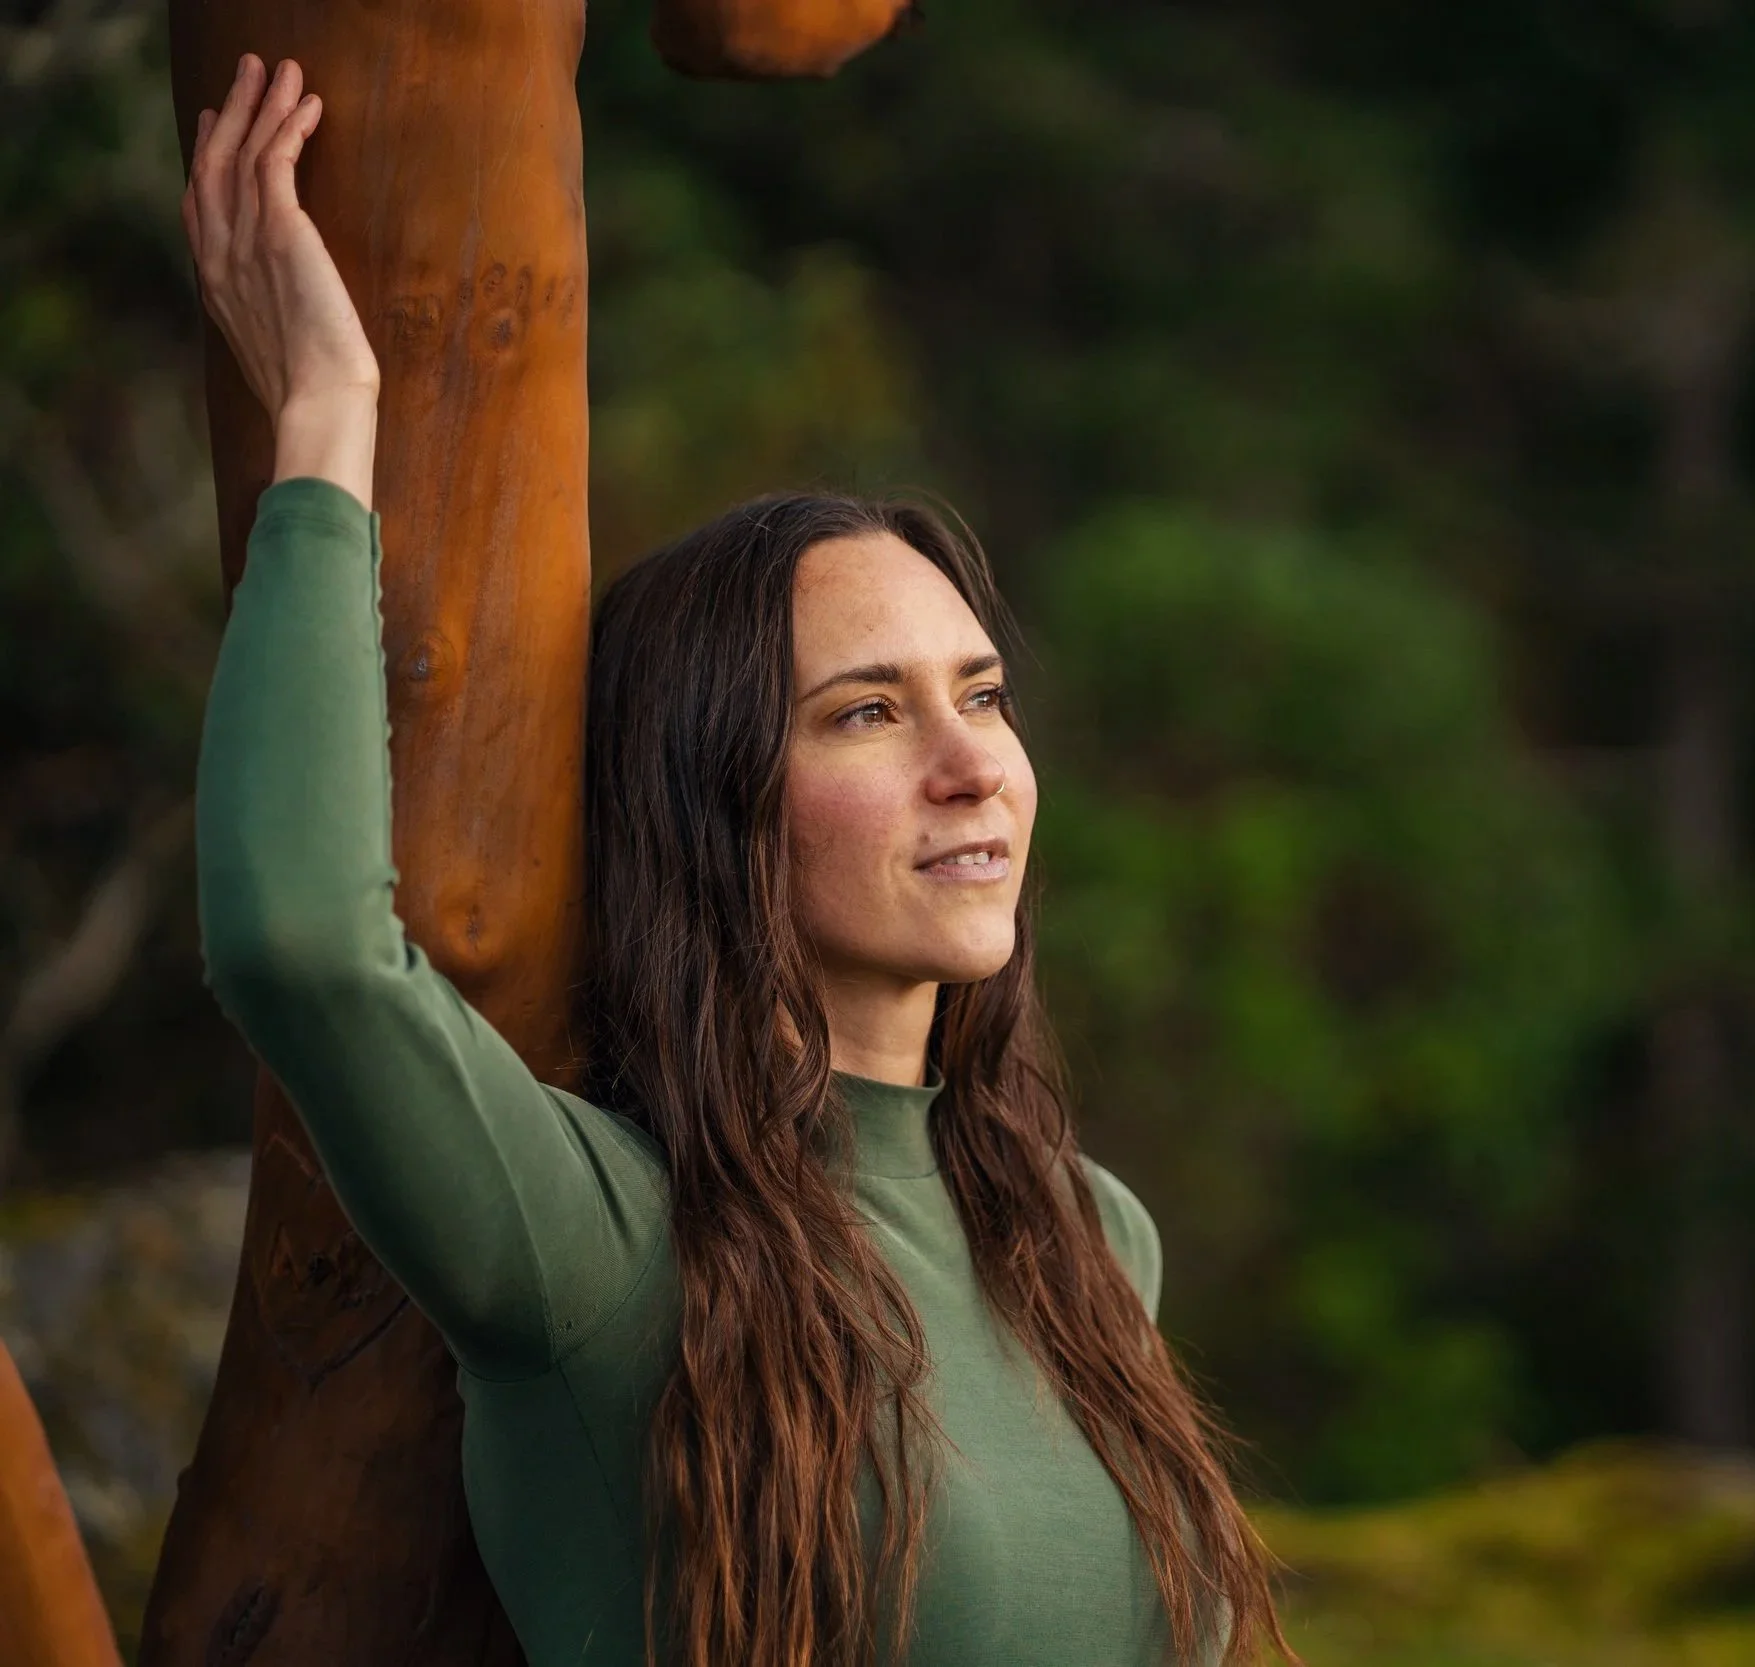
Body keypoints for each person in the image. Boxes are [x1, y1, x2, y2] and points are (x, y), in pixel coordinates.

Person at [182, 51, 1294, 1667]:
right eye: (866, 714)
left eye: (980, 693)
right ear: (714, 804)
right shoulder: (604, 1252)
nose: (973, 759)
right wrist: (325, 419)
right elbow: (303, 947)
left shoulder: (1086, 1236)